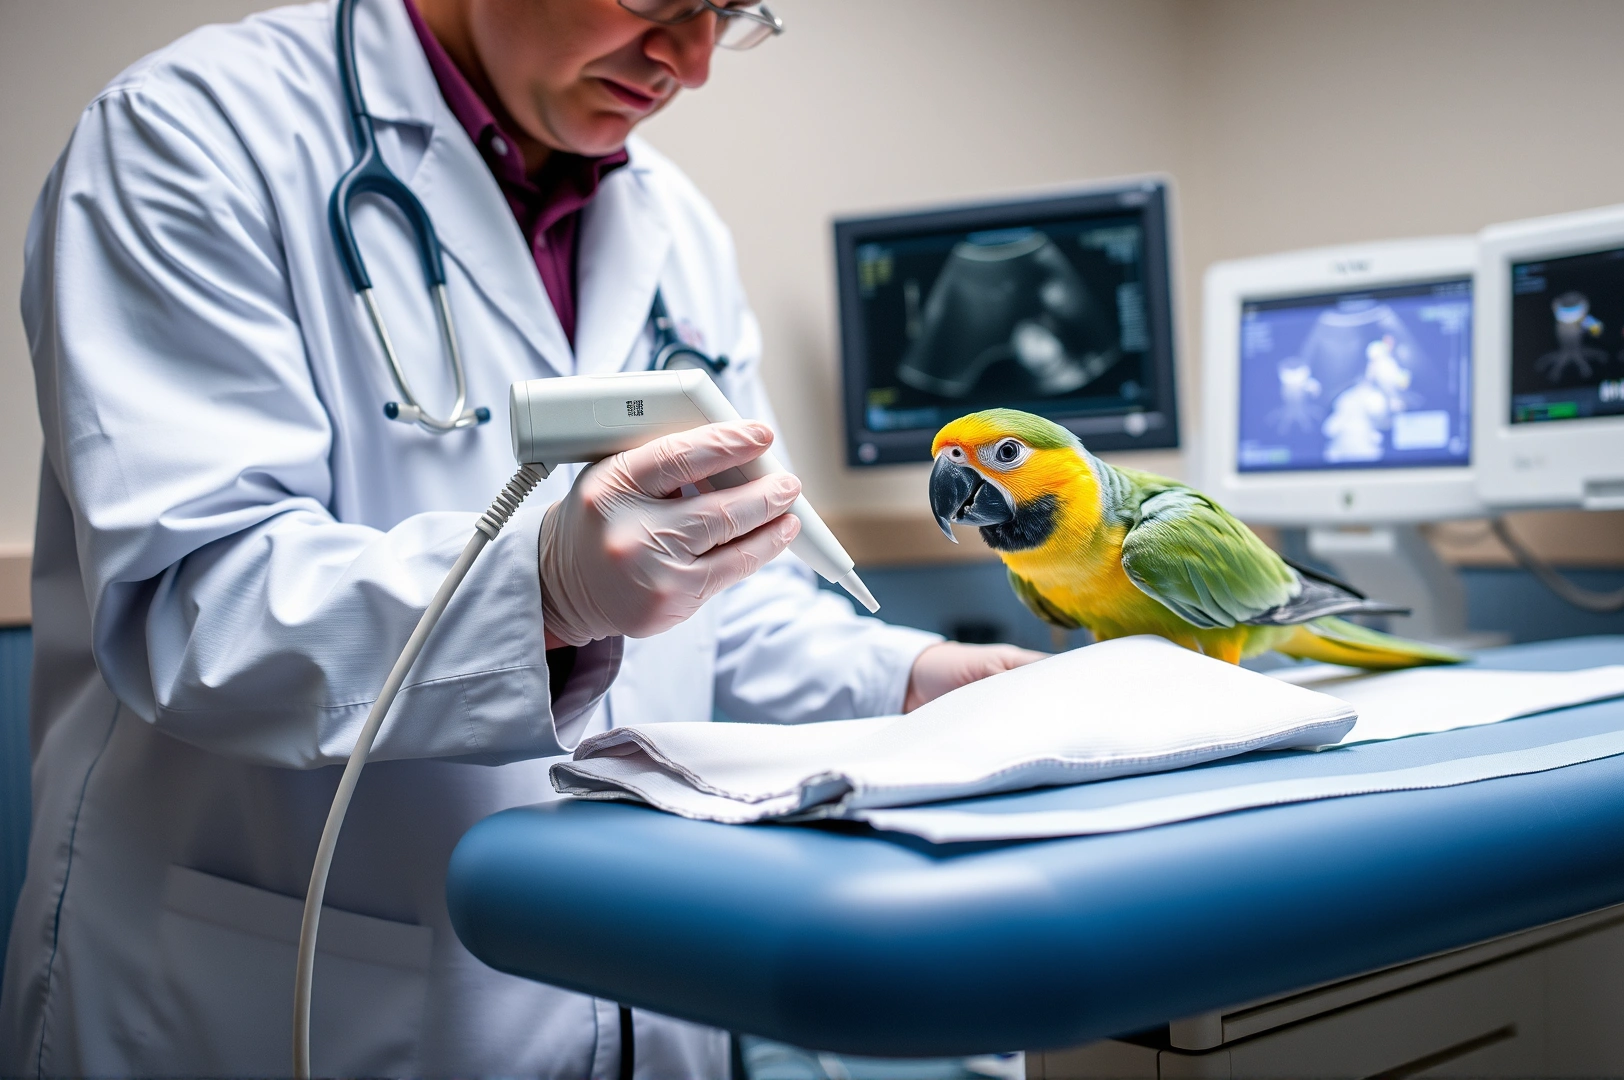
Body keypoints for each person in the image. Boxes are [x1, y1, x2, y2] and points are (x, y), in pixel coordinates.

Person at [1, 1, 1042, 1076]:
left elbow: (725, 590)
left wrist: (912, 679)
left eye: (727, 13)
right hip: (287, 994)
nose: (690, 62)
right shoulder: (192, 136)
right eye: (658, 0)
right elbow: (194, 600)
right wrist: (542, 588)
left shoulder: (675, 226)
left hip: (648, 983)